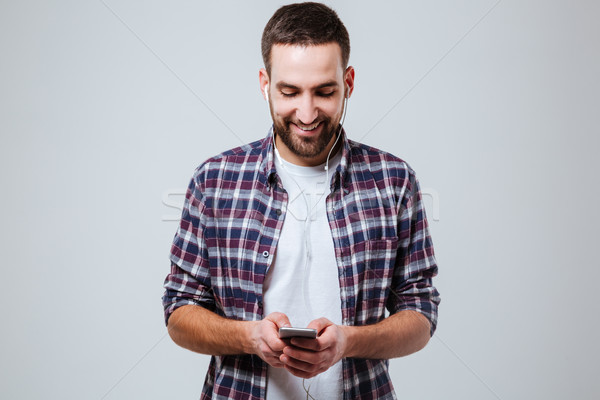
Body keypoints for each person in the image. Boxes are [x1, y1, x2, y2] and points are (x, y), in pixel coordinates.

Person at [163, 2, 440, 399]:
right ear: (265, 83)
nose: (307, 113)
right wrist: (249, 336)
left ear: (349, 82)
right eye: (289, 92)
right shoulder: (214, 180)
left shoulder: (394, 181)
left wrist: (348, 342)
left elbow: (420, 314)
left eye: (325, 92)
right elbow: (178, 312)